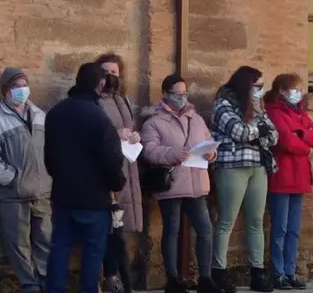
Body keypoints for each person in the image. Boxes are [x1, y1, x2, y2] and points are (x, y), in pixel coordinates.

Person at [44, 62, 127, 293]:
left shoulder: (55, 113)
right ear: (99, 84)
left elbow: (49, 158)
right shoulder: (99, 118)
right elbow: (112, 160)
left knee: (60, 247)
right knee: (92, 253)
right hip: (94, 199)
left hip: (63, 195)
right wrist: (117, 183)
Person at [140, 74, 222, 293]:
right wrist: (175, 153)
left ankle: (206, 278)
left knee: (205, 230)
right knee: (172, 231)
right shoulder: (154, 122)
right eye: (177, 94)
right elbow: (149, 151)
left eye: (185, 94)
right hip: (173, 183)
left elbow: (207, 141)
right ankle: (173, 279)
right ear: (165, 95)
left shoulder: (196, 119)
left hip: (196, 182)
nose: (182, 98)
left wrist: (211, 154)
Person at [0, 67, 53, 293]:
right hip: (13, 194)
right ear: (5, 91)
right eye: (15, 86)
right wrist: (12, 178)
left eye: (24, 84)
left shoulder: (40, 115)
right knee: (18, 244)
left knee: (46, 239)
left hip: (42, 192)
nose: (21, 90)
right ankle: (29, 284)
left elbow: (51, 149)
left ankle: (46, 280)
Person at [211, 66, 279, 293]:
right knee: (226, 221)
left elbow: (273, 135)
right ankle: (218, 272)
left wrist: (258, 129)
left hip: (258, 165)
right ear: (245, 85)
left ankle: (257, 271)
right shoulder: (224, 104)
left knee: (256, 221)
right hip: (232, 165)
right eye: (257, 86)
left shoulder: (258, 107)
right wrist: (258, 130)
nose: (260, 91)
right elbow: (239, 132)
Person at [263, 73, 313, 290]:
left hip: (300, 176)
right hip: (282, 175)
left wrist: (303, 135)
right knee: (279, 228)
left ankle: (290, 271)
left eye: (298, 89)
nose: (297, 93)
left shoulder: (300, 113)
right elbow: (286, 141)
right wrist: (305, 142)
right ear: (281, 91)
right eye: (293, 89)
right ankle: (277, 272)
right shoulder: (274, 111)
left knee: (294, 229)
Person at [94, 53, 143, 293]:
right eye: (106, 72)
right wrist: (117, 132)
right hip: (108, 171)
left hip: (127, 167)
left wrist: (135, 135)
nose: (111, 76)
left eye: (115, 72)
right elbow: (94, 130)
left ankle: (119, 278)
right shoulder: (95, 100)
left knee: (120, 229)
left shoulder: (123, 99)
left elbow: (129, 128)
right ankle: (112, 276)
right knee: (111, 229)